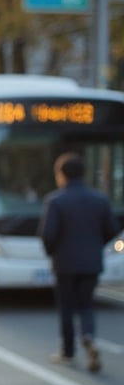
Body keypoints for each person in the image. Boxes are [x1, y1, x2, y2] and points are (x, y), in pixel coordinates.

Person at [39, 153, 120, 372]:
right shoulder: (100, 199)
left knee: (66, 307)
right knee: (86, 305)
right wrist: (95, 246)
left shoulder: (56, 200)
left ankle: (68, 351)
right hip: (92, 262)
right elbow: (112, 230)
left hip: (65, 263)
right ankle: (89, 337)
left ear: (61, 174)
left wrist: (53, 253)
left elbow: (48, 235)